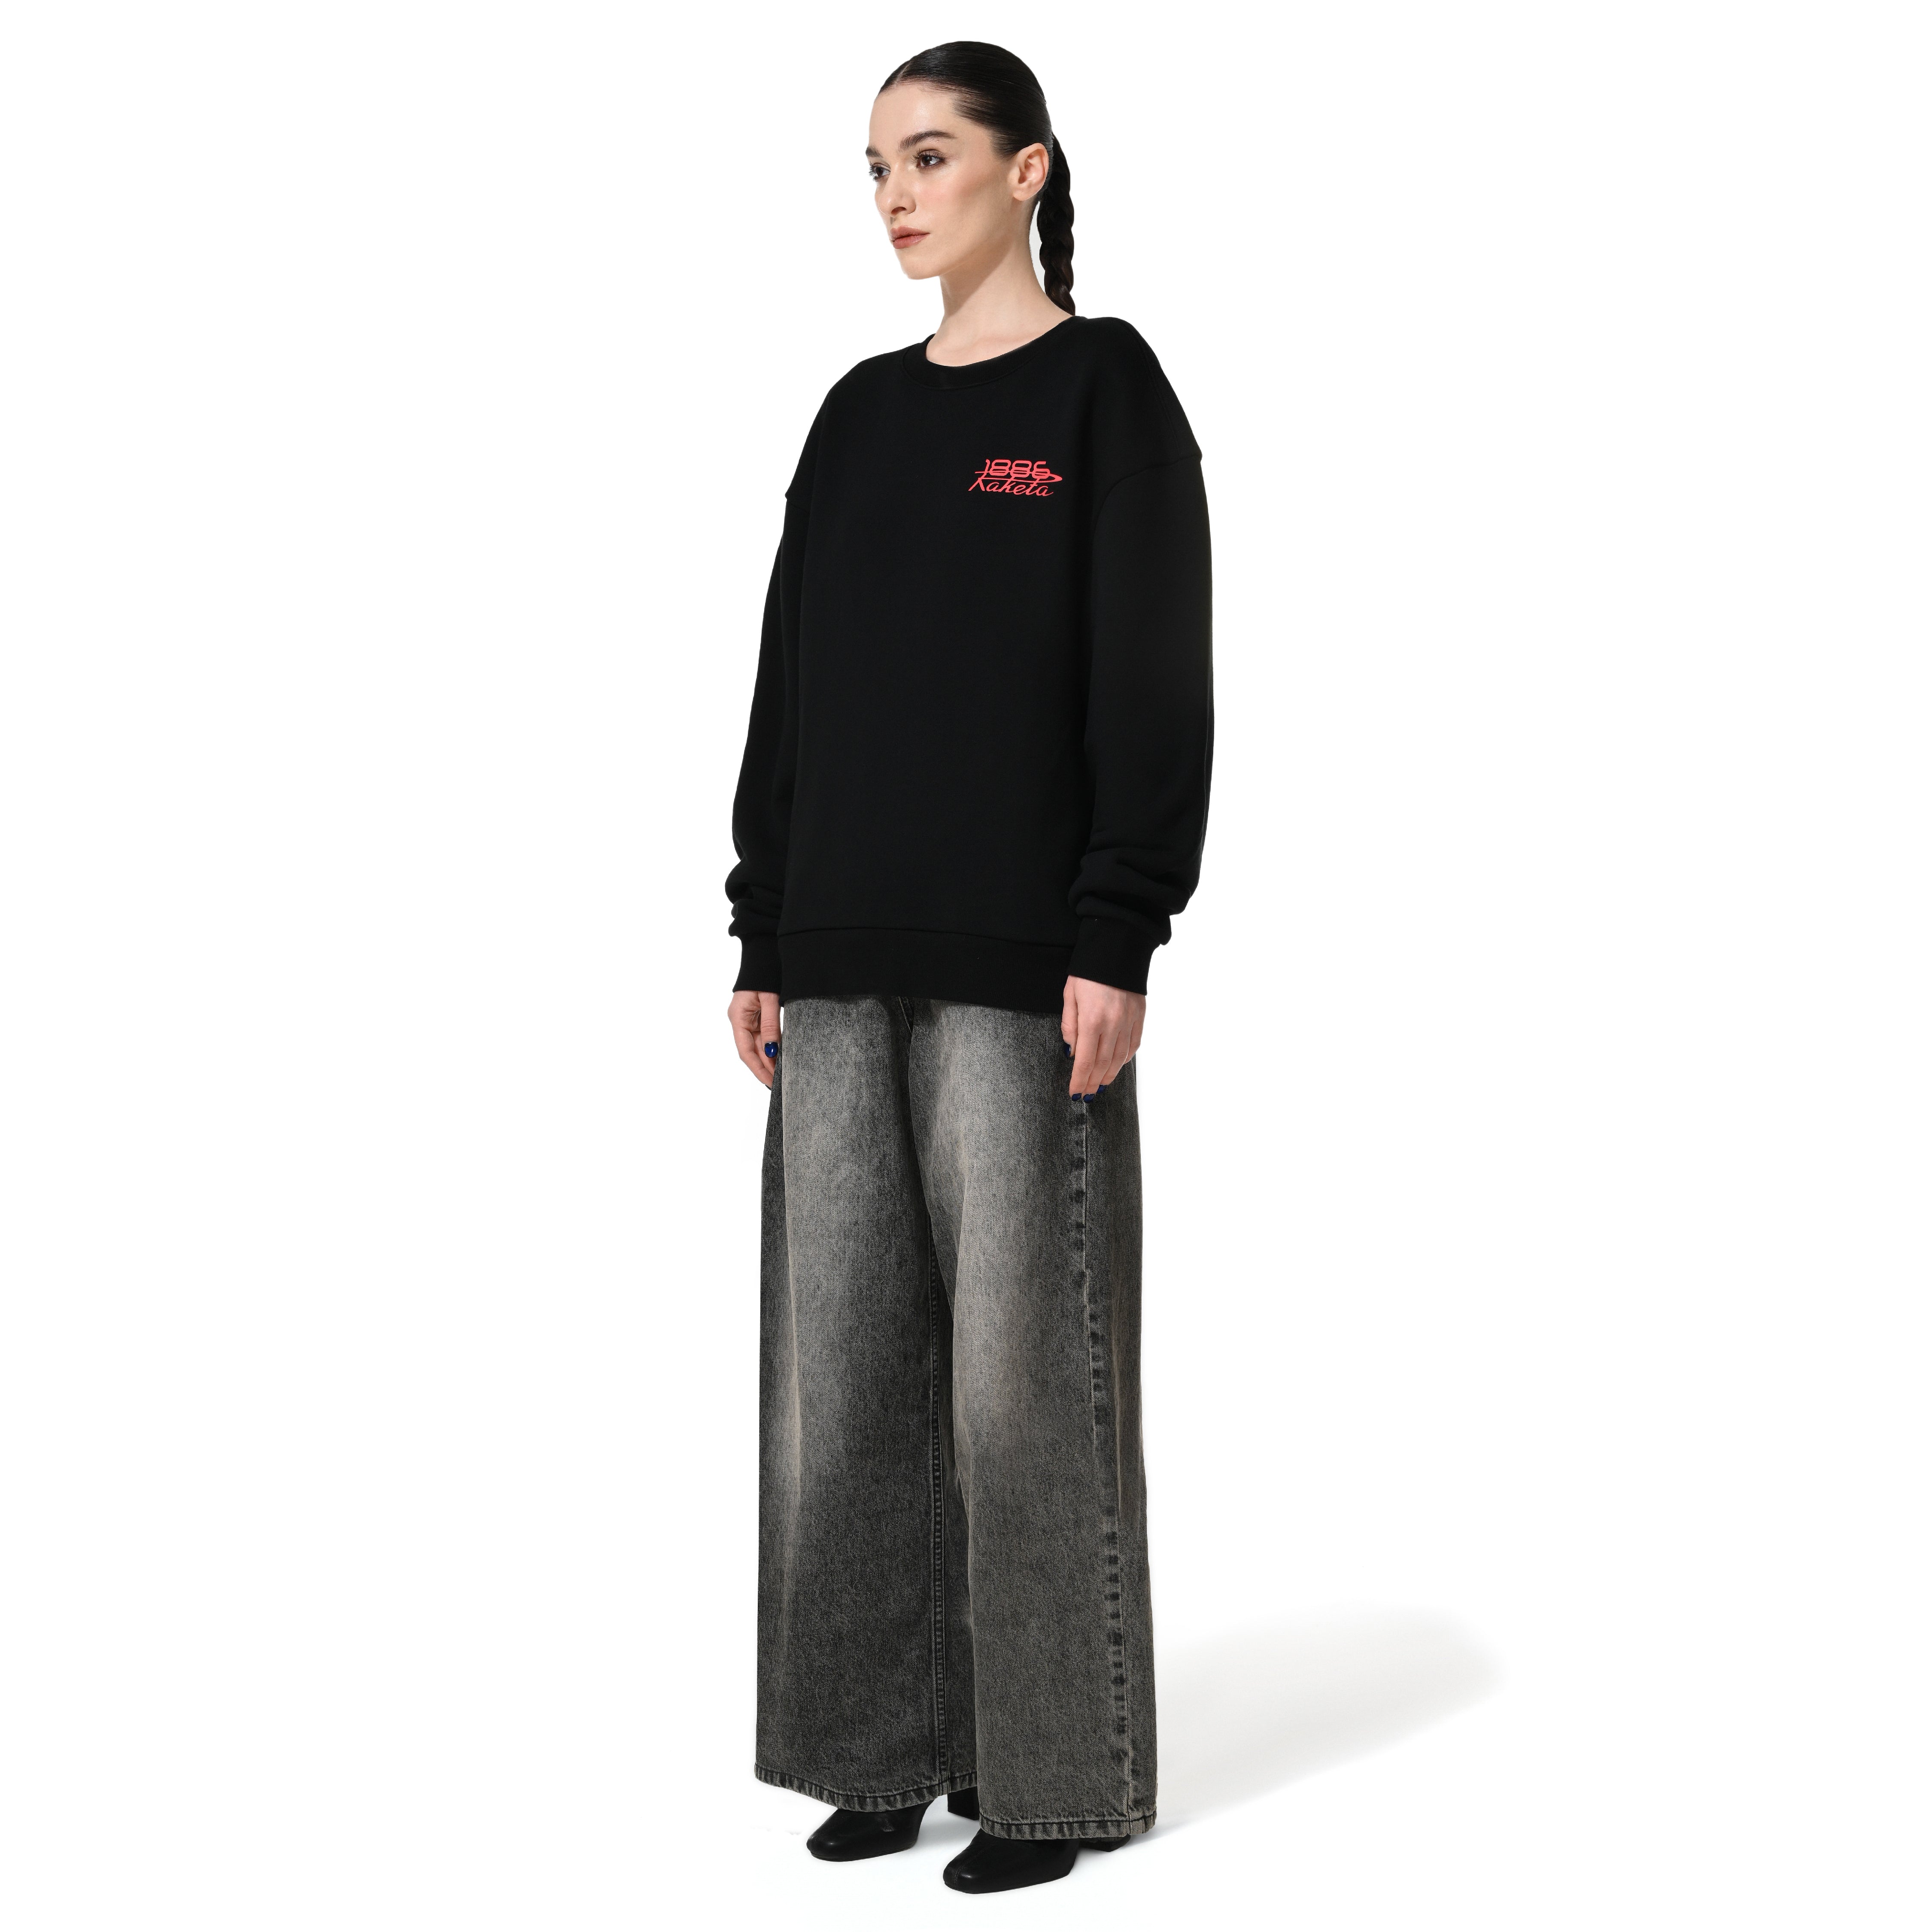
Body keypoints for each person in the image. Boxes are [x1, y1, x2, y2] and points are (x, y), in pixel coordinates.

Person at [723, 41, 1213, 1896]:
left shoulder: (1104, 392)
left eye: (930, 157)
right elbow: (792, 680)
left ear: (1029, 170)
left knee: (1025, 1389)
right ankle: (874, 1749)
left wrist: (1119, 925)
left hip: (1026, 970)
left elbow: (1152, 678)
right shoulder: (857, 415)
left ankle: (1053, 1780)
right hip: (837, 957)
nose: (896, 196)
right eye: (876, 168)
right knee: (840, 1381)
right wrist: (762, 921)